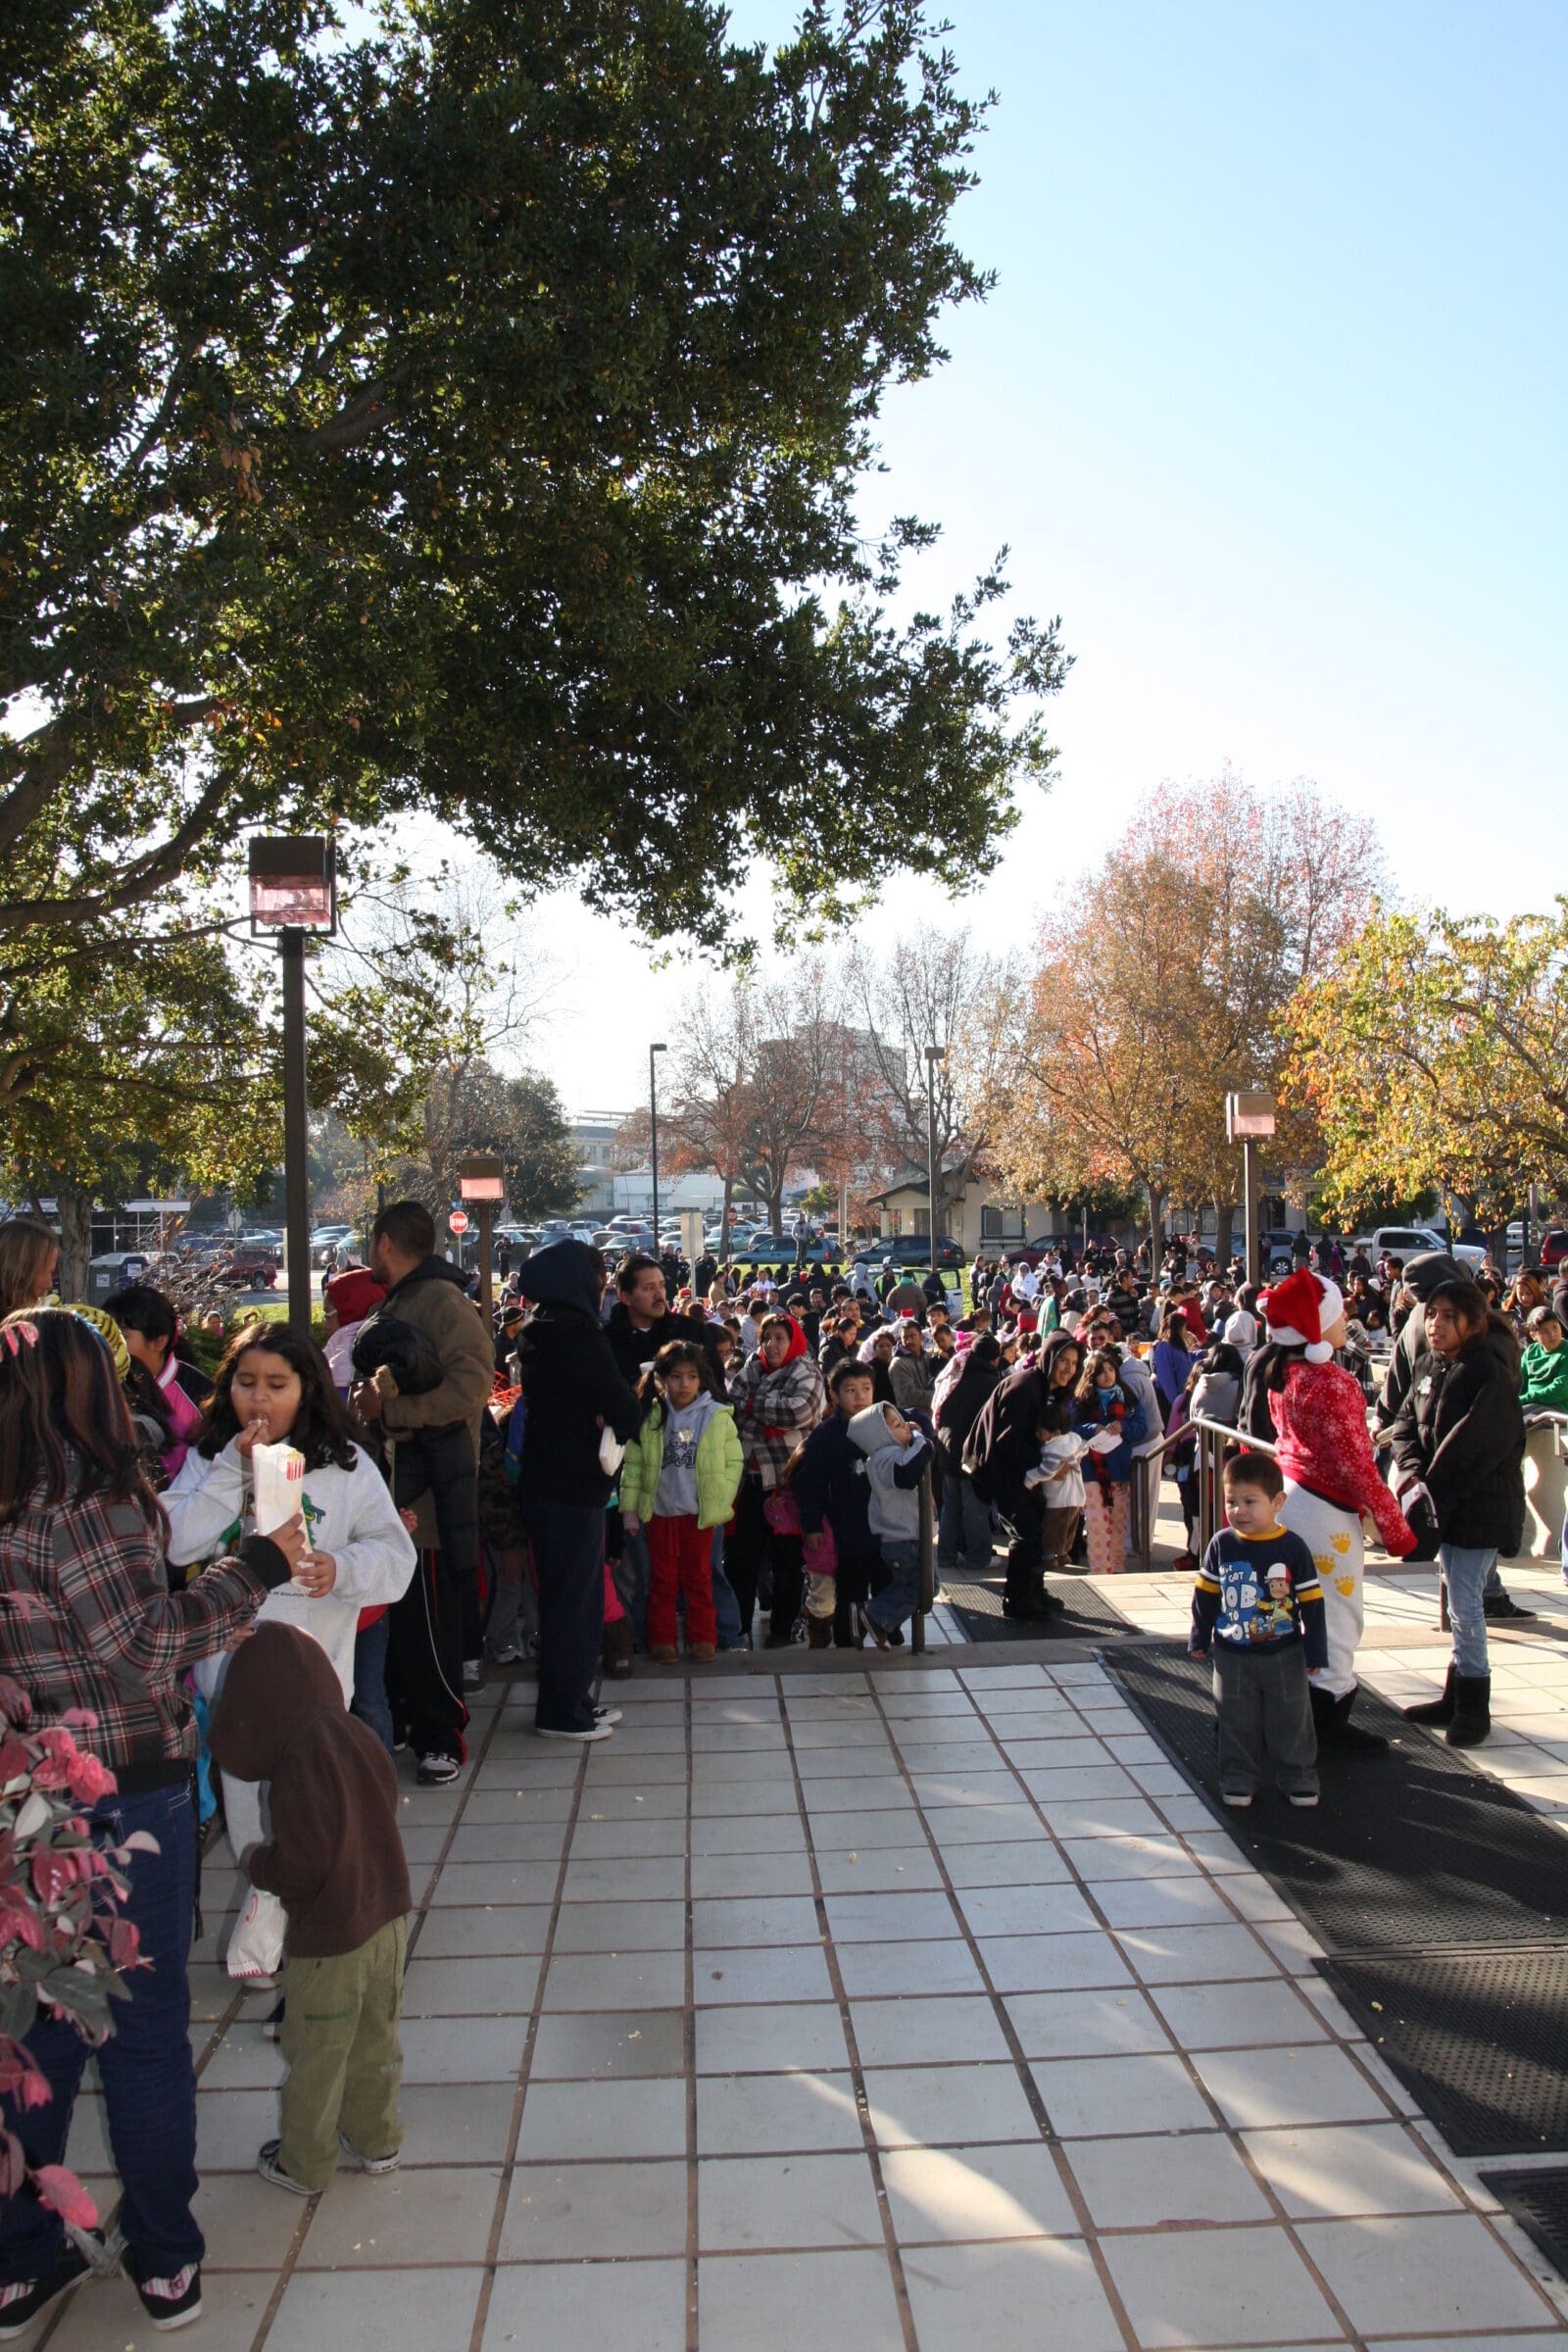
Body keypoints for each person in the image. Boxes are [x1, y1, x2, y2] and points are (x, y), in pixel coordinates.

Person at [0, 1306, 305, 2337]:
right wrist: (259, 1566)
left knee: (39, 2031)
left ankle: (19, 2258)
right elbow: (145, 1645)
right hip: (121, 1790)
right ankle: (166, 2259)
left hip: (25, 1802)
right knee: (137, 2032)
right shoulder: (84, 1503)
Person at [164, 1322, 416, 1875]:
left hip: (317, 1684)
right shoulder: (211, 1459)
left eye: (277, 1384)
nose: (258, 1398)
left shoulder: (344, 1464)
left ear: (308, 1389)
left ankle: (299, 1934)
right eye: (246, 1382)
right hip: (233, 1686)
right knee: (253, 1832)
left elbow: (396, 1560)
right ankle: (265, 1940)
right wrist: (231, 1469)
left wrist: (341, 1568)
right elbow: (174, 1541)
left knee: (312, 1820)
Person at [209, 1624, 412, 2197]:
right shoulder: (355, 1732)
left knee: (317, 2051)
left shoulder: (298, 1769)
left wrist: (259, 1866)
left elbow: (299, 1865)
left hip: (332, 1939)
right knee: (377, 2038)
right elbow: (387, 1800)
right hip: (390, 1917)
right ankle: (378, 2141)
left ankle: (305, 2161)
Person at [1241, 1268, 1415, 1753]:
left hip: (1290, 1502)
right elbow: (1358, 1466)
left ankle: (1277, 1712)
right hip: (1327, 1517)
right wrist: (1396, 1528)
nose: (1347, 1320)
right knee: (1337, 1619)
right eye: (1338, 1313)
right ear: (1316, 1328)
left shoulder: (1280, 1373)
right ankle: (1326, 1720)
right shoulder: (1332, 1382)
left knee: (1287, 1611)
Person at [355, 1201, 495, 1779]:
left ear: (386, 1242)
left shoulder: (440, 1301)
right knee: (406, 1625)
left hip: (433, 1500)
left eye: (369, 1242)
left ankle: (443, 1736)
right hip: (401, 1493)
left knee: (431, 1627)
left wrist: (391, 1408)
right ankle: (414, 1723)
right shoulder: (408, 1299)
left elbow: (471, 1387)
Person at [1393, 1277, 1527, 1748]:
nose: (1436, 1324)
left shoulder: (1489, 1371)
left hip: (1481, 1506)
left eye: (1449, 1316)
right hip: (1441, 1503)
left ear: (1473, 1321)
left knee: (1466, 1604)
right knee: (1457, 1597)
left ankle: (1474, 1702)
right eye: (1431, 1314)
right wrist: (1411, 1472)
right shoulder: (1430, 1365)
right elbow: (1405, 1425)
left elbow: (1474, 1447)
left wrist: (1429, 1490)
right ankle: (1455, 1692)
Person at [515, 1242, 640, 1741]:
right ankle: (563, 1712)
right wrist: (622, 1403)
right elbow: (624, 1411)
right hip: (575, 1486)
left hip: (543, 1480)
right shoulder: (581, 1335)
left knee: (565, 1597)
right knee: (575, 1601)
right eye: (599, 1275)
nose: (603, 1284)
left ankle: (574, 1699)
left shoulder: (536, 1331)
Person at [1190, 1451, 1326, 1810]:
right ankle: (1237, 1775)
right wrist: (1199, 1637)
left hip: (1284, 1650)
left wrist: (1316, 1651)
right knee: (1235, 1716)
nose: (1239, 1511)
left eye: (1251, 1501)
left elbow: (1312, 1602)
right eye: (1232, 1501)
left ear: (1277, 1502)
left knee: (1291, 1715)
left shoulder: (1292, 1546)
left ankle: (1297, 1774)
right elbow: (1205, 1596)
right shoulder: (1221, 1544)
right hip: (1233, 1652)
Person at [619, 1340, 743, 1663]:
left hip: (699, 1513)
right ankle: (662, 1640)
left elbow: (734, 1462)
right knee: (661, 1579)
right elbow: (633, 1466)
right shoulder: (650, 1416)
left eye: (690, 1376)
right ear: (662, 1378)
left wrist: (722, 1498)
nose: (683, 1384)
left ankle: (703, 1639)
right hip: (659, 1512)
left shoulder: (717, 1417)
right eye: (676, 1376)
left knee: (700, 1577)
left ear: (701, 1378)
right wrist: (629, 1510)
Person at [964, 1330, 1082, 1620]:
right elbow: (1008, 1443)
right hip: (1000, 1469)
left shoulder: (1046, 1389)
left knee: (1036, 1530)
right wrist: (1045, 1467)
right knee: (1026, 1532)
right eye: (1063, 1360)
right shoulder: (1027, 1387)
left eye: (1074, 1363)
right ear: (1050, 1357)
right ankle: (1016, 1599)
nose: (1068, 1368)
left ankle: (1033, 1590)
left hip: (1022, 1471)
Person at [726, 1314, 826, 1645]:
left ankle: (783, 1628)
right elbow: (733, 1404)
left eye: (780, 1337)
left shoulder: (806, 1370)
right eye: (766, 1337)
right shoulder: (751, 1369)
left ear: (793, 1340)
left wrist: (755, 1407)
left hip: (788, 1481)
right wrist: (768, 1416)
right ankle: (736, 1627)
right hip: (750, 1479)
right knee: (742, 1560)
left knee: (787, 1560)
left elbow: (800, 1411)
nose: (772, 1344)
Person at [794, 1357, 885, 1648]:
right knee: (850, 1593)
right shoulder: (826, 1435)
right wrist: (812, 1525)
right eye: (850, 1390)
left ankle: (887, 1628)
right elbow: (808, 1486)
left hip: (884, 1528)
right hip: (845, 1528)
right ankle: (848, 1644)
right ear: (834, 1395)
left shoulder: (884, 1426)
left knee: (887, 1582)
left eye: (866, 1388)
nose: (860, 1396)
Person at [848, 1400, 933, 1647]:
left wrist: (915, 1437)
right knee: (920, 1587)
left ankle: (874, 1617)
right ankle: (874, 1616)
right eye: (897, 1425)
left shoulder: (892, 1454)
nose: (905, 1426)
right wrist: (921, 1440)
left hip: (910, 1537)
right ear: (881, 1436)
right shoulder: (885, 1457)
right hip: (904, 1541)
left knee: (922, 1586)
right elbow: (907, 1474)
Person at [1073, 1347, 1150, 1575]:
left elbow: (1142, 1428)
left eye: (1110, 1369)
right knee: (1096, 1524)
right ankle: (1099, 1569)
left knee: (1118, 1524)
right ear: (1091, 1376)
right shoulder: (1082, 1402)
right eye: (1101, 1371)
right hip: (1091, 1470)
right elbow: (1071, 1428)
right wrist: (1092, 1428)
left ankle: (1116, 1566)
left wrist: (1123, 1427)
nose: (1107, 1375)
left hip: (1119, 1470)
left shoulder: (1129, 1400)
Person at [933, 1334, 1004, 1576]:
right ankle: (978, 1556)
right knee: (975, 1506)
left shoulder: (956, 1374)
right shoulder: (989, 1383)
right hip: (971, 1454)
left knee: (950, 1505)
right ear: (995, 1358)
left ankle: (945, 1555)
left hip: (947, 1448)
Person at [1520, 1304, 1568, 1416]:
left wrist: (1525, 1399)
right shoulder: (1531, 1352)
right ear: (1533, 1336)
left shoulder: (1566, 1351)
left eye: (1554, 1327)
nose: (1552, 1334)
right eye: (1544, 1331)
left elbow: (1559, 1389)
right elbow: (1518, 1380)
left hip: (1558, 1407)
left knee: (1518, 1418)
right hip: (1531, 1404)